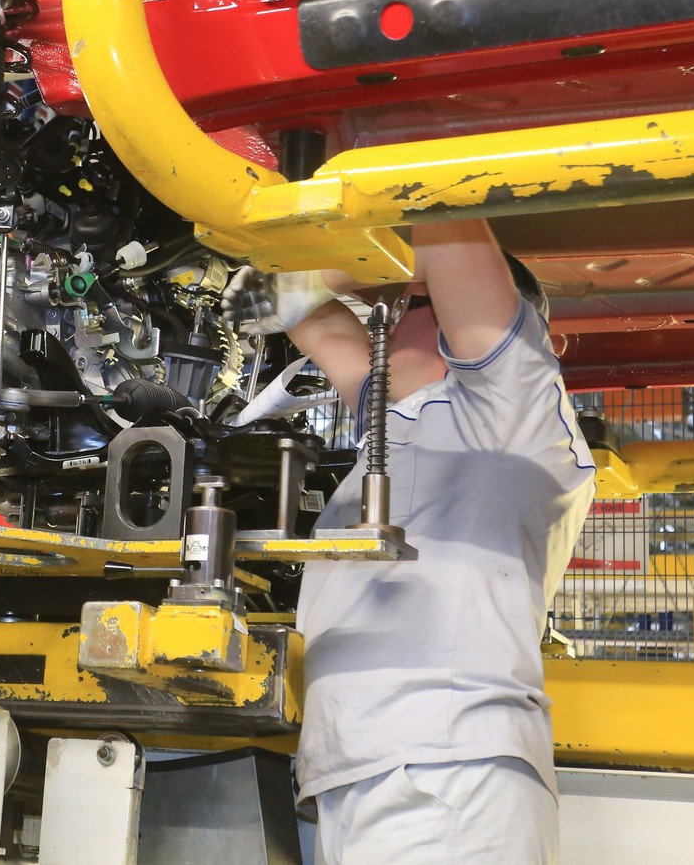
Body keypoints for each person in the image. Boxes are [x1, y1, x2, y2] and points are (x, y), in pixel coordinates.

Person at [226, 219, 597, 864]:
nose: (386, 323)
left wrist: (329, 275)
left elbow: (447, 227)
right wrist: (276, 275)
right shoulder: (397, 423)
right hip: (376, 770)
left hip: (444, 772)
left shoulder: (510, 408)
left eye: (407, 305)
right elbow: (305, 316)